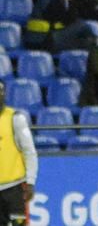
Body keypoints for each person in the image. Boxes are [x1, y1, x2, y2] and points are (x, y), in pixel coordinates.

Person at [0, 80, 37, 226]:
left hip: (14, 188)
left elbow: (29, 152)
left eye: (1, 92)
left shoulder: (15, 119)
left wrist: (30, 182)